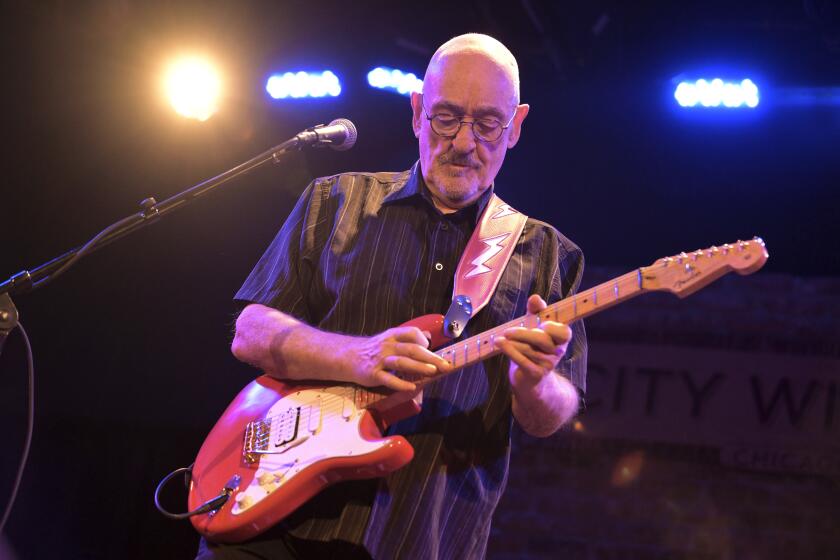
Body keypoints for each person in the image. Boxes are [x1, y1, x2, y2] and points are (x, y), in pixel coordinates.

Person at [197, 33, 587, 560]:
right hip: (274, 520)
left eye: (488, 123)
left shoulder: (547, 255)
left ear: (514, 127)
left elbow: (551, 415)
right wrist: (357, 356)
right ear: (417, 112)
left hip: (423, 538)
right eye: (446, 117)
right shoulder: (333, 200)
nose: (466, 142)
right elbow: (251, 332)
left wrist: (534, 382)